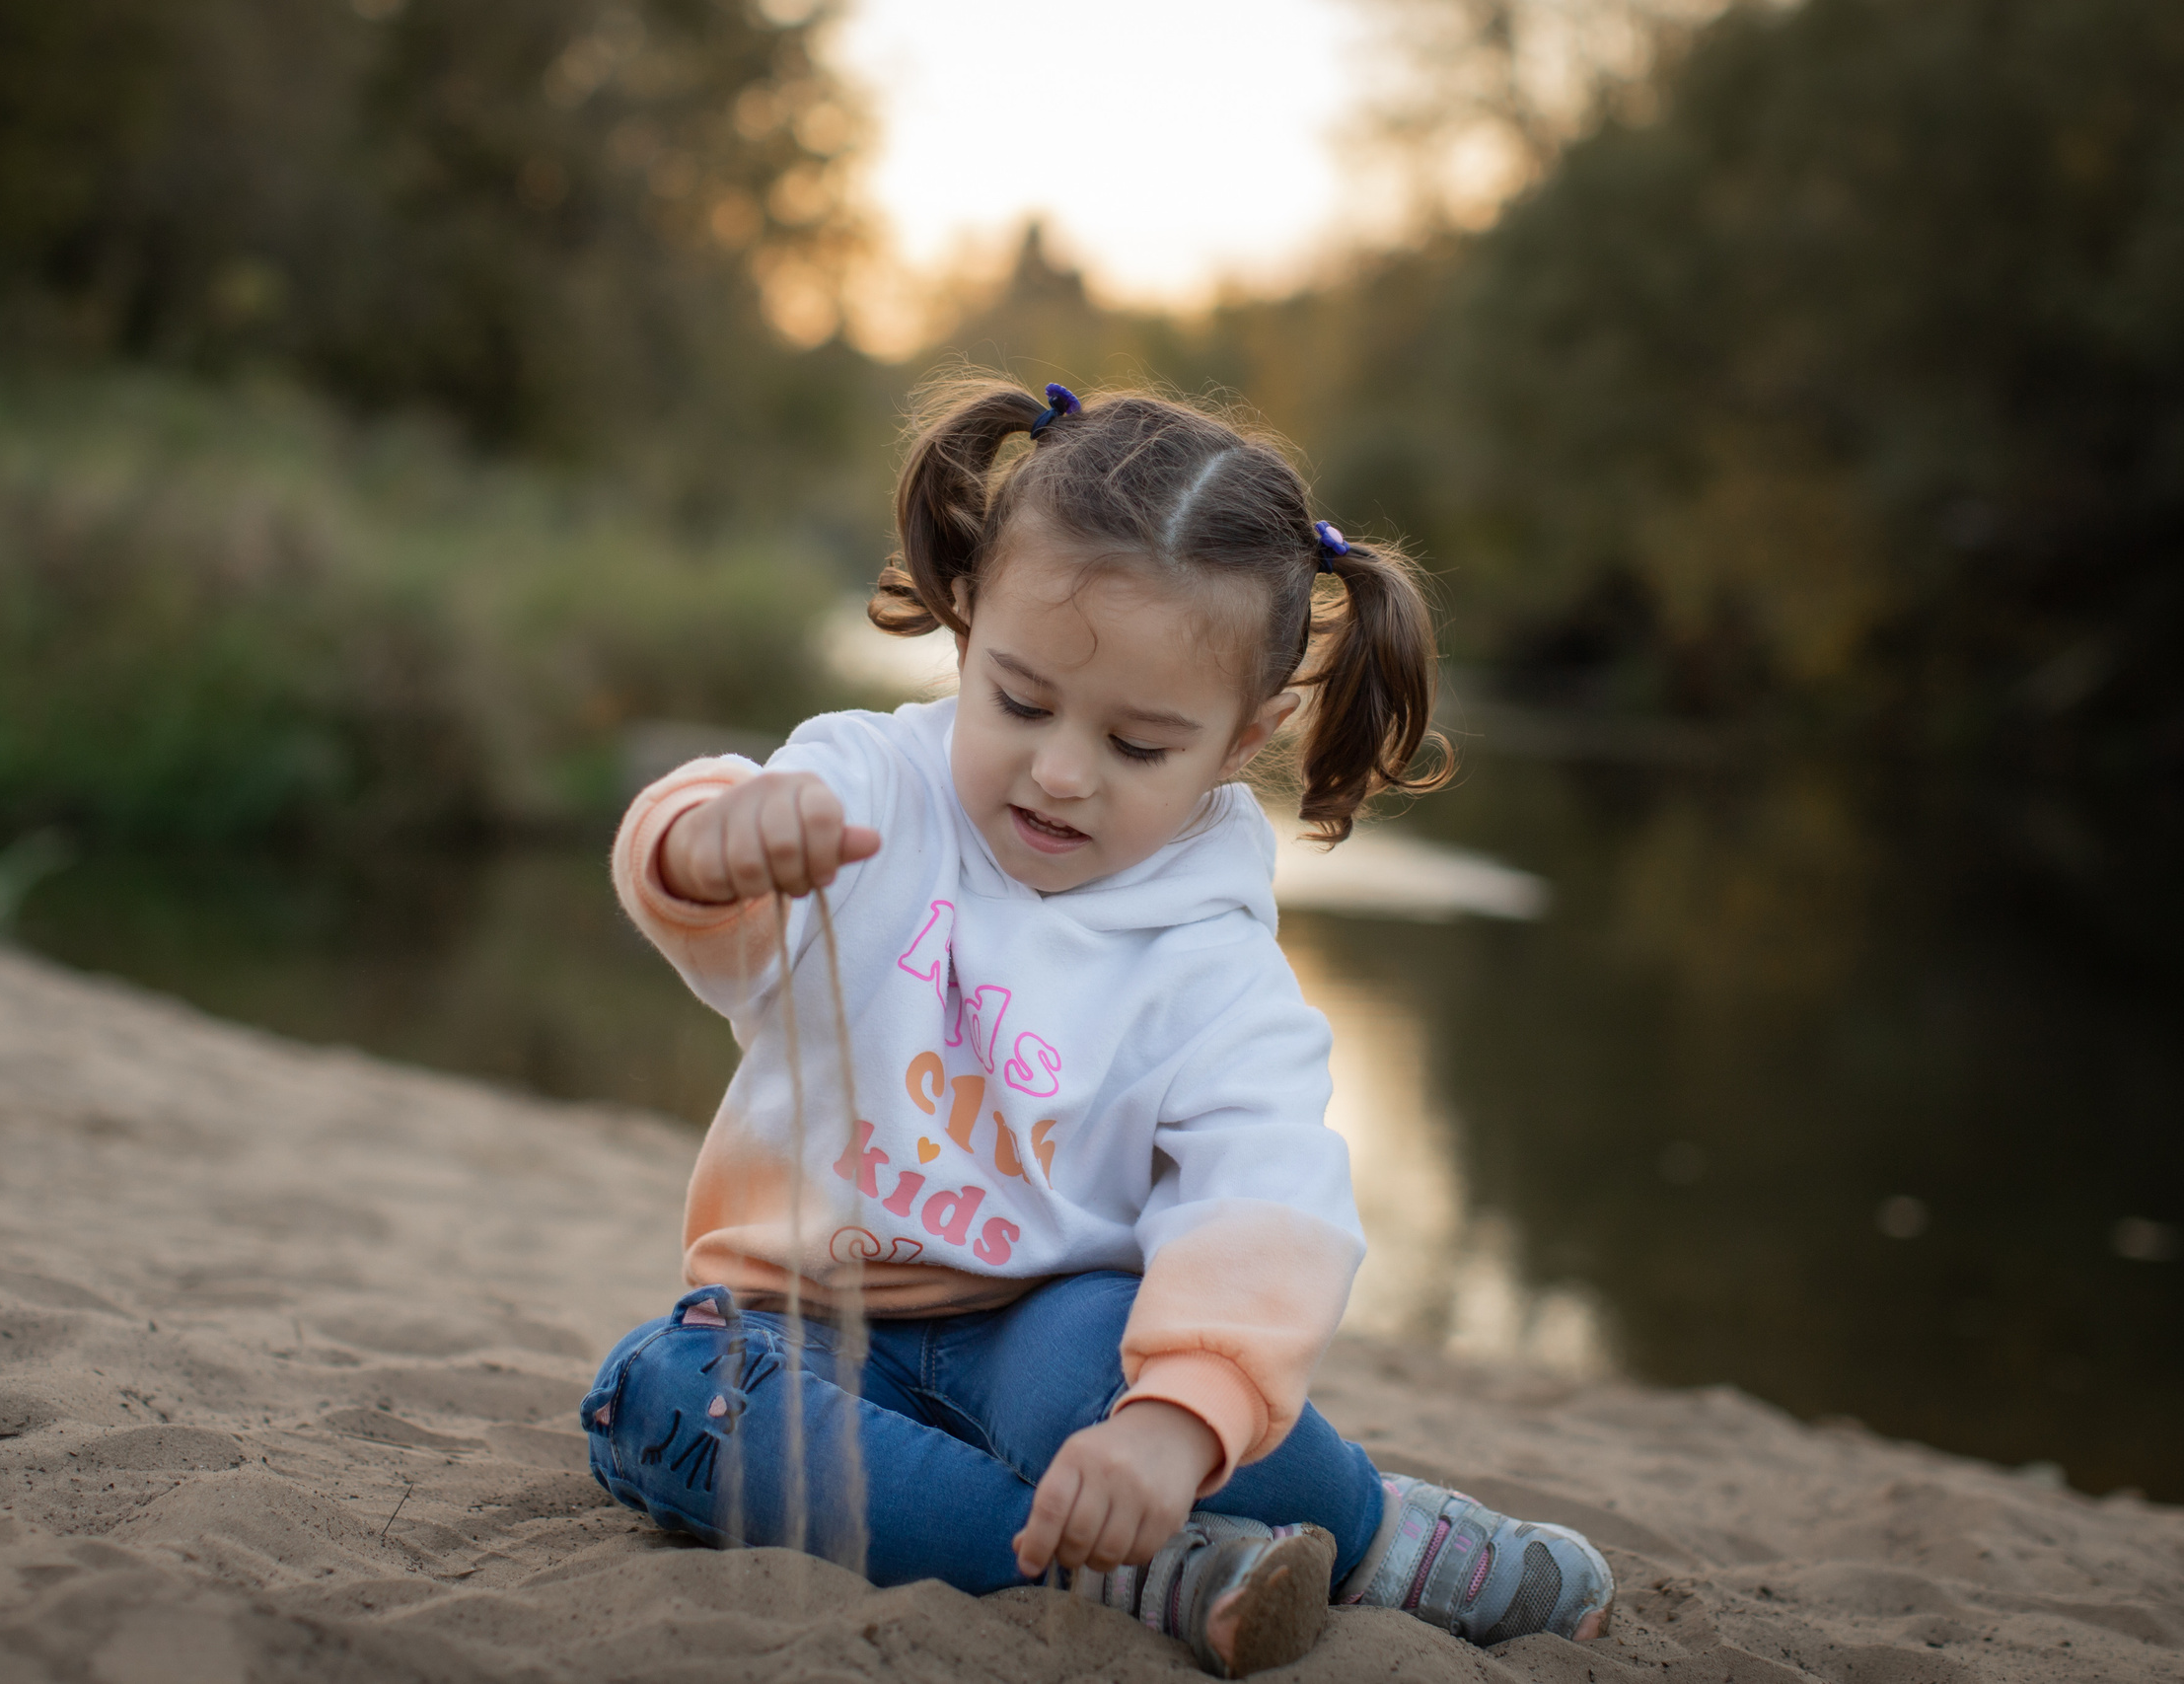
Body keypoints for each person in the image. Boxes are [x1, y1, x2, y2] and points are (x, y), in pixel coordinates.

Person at [581, 375, 1614, 1677]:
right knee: (662, 1394)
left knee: (1129, 1376)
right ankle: (1148, 1574)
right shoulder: (867, 784)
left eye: (1138, 746)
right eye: (1020, 703)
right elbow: (719, 895)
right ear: (968, 628)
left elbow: (1264, 1196)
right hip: (799, 1314)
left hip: (1053, 1330)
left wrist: (1173, 1424)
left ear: (1243, 739)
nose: (1060, 772)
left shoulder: (1212, 963)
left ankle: (1372, 1533)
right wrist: (714, 840)